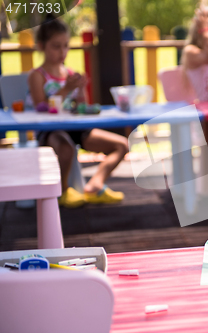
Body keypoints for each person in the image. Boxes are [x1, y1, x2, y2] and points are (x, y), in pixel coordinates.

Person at [28, 15, 129, 208]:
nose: (62, 51)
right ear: (41, 46)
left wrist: (81, 89)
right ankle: (64, 191)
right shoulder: (37, 76)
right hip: (50, 130)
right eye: (56, 46)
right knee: (66, 149)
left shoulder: (69, 73)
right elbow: (41, 108)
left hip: (74, 127)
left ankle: (95, 184)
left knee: (121, 145)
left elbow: (81, 107)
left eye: (66, 45)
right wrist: (66, 89)